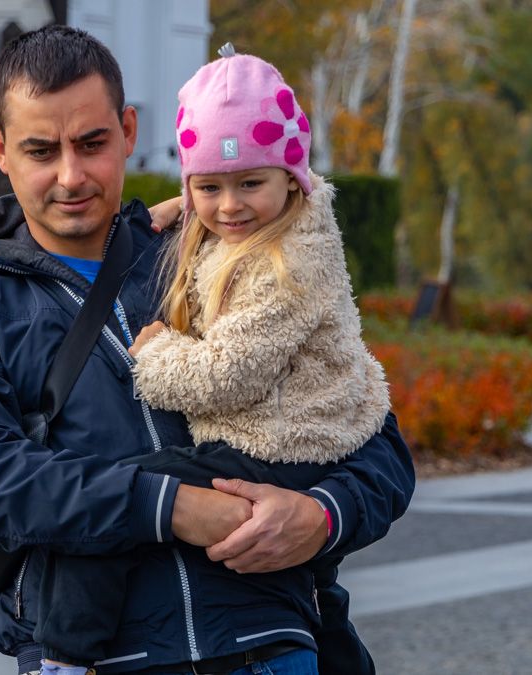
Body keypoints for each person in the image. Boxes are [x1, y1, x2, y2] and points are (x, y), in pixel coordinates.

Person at [0, 25, 414, 675]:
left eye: (92, 143)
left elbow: (374, 436)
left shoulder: (220, 258)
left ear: (129, 132)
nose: (71, 174)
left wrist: (325, 515)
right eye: (40, 149)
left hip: (269, 642)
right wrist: (170, 506)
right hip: (97, 657)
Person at [31, 47, 394, 674]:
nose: (229, 207)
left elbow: (227, 374)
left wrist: (155, 353)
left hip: (280, 446)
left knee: (125, 499)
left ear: (292, 175)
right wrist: (163, 215)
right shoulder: (260, 233)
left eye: (250, 182)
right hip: (292, 447)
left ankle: (62, 658)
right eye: (209, 188)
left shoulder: (288, 267)